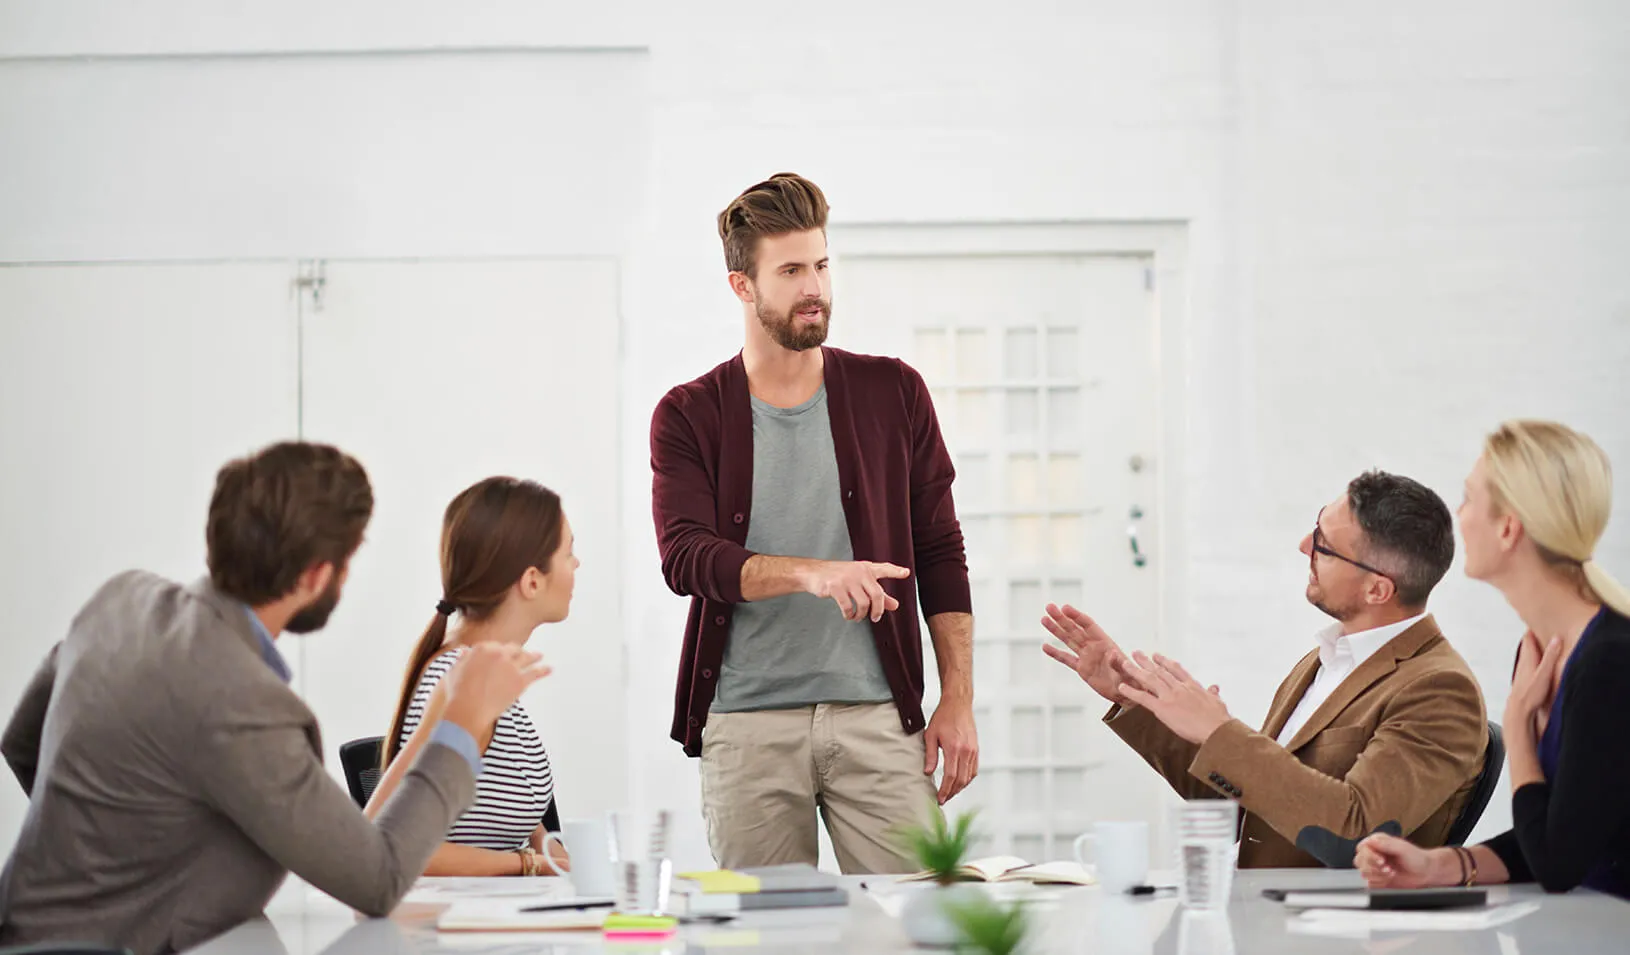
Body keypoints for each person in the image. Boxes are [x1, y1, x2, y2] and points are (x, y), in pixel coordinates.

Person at [0, 442, 549, 954]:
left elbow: (23, 741)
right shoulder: (249, 705)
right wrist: (459, 725)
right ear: (315, 576)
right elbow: (377, 880)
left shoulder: (121, 598)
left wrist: (117, 857)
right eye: (347, 562)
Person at [650, 172, 978, 873]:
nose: (815, 289)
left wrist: (957, 697)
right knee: (769, 937)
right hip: (747, 724)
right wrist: (814, 572)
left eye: (822, 265)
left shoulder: (894, 393)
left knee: (916, 922)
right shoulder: (688, 415)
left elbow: (941, 550)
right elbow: (686, 557)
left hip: (879, 719)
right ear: (743, 285)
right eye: (792, 270)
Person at [1044, 470, 1487, 867]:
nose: (1303, 547)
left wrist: (1220, 733)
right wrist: (1135, 698)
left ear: (1377, 589)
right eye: (1316, 527)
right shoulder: (1324, 661)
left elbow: (1354, 832)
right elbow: (1250, 804)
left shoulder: (1439, 689)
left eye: (1324, 547)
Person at [1358, 421, 1630, 899]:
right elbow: (1563, 832)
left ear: (1508, 528)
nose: (1458, 515)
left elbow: (1559, 865)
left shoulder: (1611, 662)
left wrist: (1518, 728)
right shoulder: (1538, 652)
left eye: (1467, 499)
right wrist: (1439, 864)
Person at [370, 477, 577, 877]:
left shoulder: (489, 677)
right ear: (532, 580)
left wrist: (553, 852)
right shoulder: (458, 681)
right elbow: (398, 844)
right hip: (456, 930)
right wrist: (530, 864)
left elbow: (497, 810)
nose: (577, 565)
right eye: (569, 553)